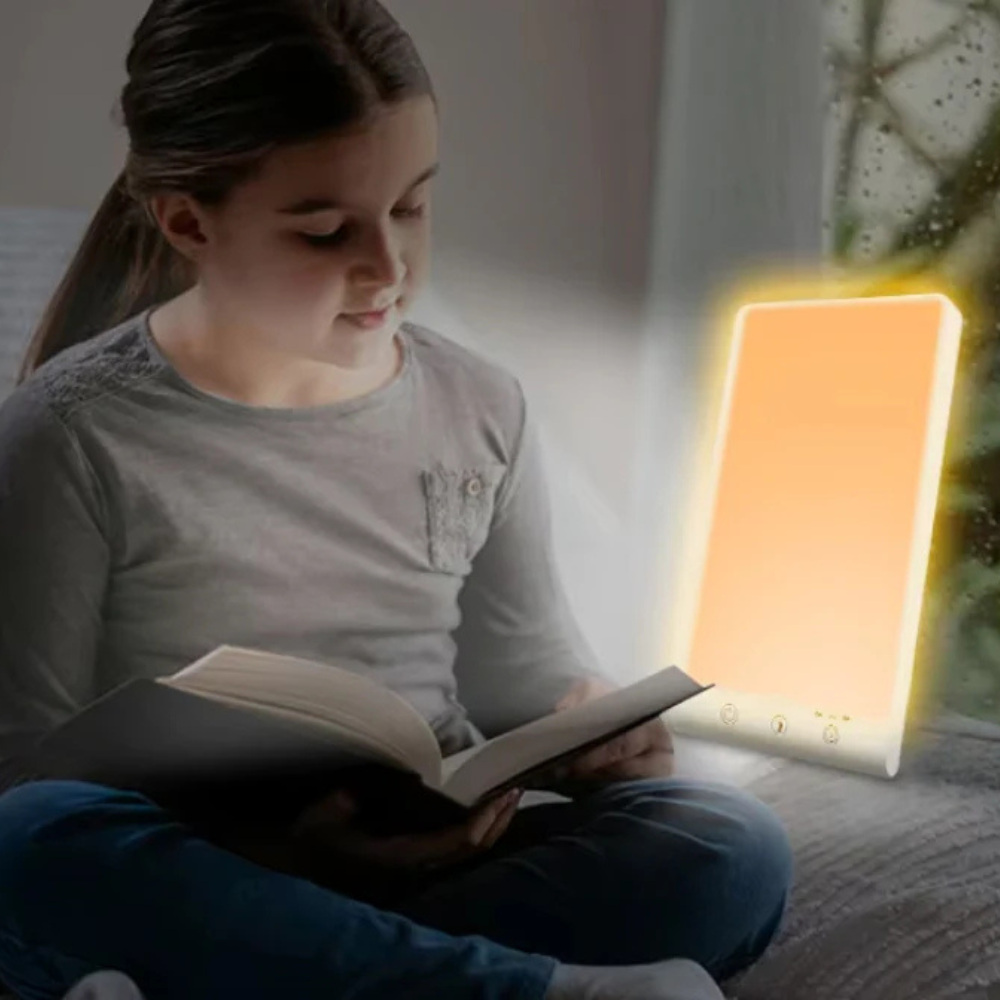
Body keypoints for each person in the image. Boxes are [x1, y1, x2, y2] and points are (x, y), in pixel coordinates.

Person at [0, 1, 793, 998]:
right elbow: (20, 765)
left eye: (412, 207)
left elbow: (525, 677)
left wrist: (599, 742)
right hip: (204, 869)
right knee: (28, 840)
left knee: (728, 845)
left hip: (425, 865)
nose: (387, 267)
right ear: (190, 222)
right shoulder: (70, 432)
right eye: (326, 231)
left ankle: (271, 974)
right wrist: (287, 853)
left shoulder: (480, 403)